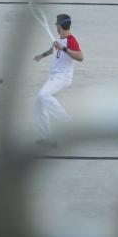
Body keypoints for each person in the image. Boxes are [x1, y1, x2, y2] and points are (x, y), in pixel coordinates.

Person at [31, 12, 83, 144]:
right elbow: (54, 49)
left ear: (59, 26)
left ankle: (68, 122)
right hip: (54, 76)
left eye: (57, 25)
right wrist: (42, 55)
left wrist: (64, 48)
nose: (56, 27)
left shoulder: (71, 41)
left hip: (63, 77)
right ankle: (46, 136)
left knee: (43, 95)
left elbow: (80, 57)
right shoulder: (60, 38)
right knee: (38, 103)